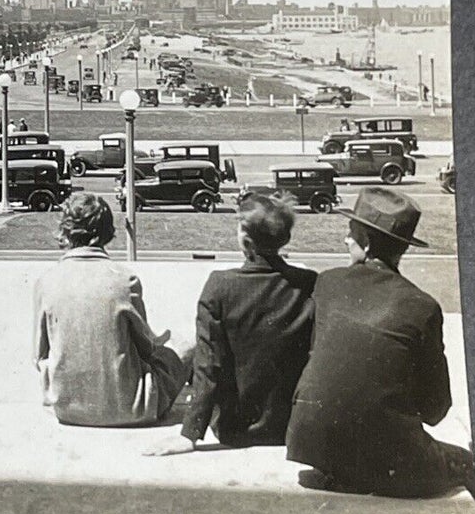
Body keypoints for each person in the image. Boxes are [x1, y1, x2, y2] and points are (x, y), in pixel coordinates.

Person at [285, 188, 475, 499]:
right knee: (469, 462)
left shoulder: (328, 283)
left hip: (315, 448)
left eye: (351, 233)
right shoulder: (421, 306)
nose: (346, 240)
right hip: (387, 458)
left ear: (367, 243)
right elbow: (436, 410)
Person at [146, 192, 316, 457]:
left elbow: (207, 365)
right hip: (289, 427)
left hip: (234, 429)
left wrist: (190, 434)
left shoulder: (220, 286)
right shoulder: (308, 283)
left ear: (245, 240)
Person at [32, 194, 189, 427]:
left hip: (68, 410)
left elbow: (39, 355)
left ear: (66, 232)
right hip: (131, 409)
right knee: (187, 344)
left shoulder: (46, 281)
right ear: (106, 232)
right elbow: (148, 349)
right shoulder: (125, 280)